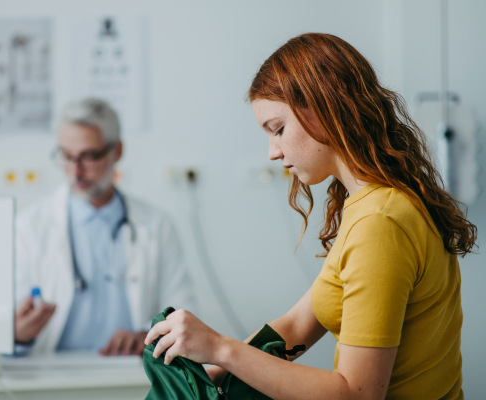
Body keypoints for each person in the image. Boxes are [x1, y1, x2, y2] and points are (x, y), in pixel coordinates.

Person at [145, 33, 476, 399]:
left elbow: (356, 394)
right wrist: (208, 374)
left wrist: (220, 347)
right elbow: (295, 327)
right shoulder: (373, 204)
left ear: (323, 108)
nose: (273, 152)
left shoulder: (380, 224)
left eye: (278, 130)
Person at [15, 98, 196, 356]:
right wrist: (18, 334)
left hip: (131, 372)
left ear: (117, 151)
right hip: (51, 373)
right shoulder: (28, 227)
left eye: (88, 156)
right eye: (66, 156)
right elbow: (5, 331)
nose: (75, 170)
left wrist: (147, 334)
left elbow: (183, 310)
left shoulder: (156, 224)